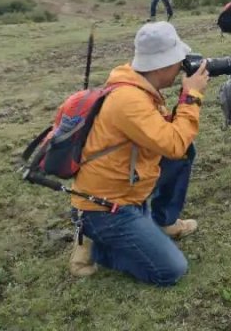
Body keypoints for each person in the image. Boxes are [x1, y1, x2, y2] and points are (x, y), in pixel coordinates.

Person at [68, 22, 210, 286]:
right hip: (105, 208)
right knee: (171, 269)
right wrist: (191, 97)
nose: (182, 68)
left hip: (128, 189)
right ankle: (96, 247)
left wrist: (184, 100)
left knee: (183, 152)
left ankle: (161, 221)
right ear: (161, 66)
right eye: (178, 63)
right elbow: (173, 143)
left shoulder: (139, 85)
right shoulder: (129, 100)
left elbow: (173, 143)